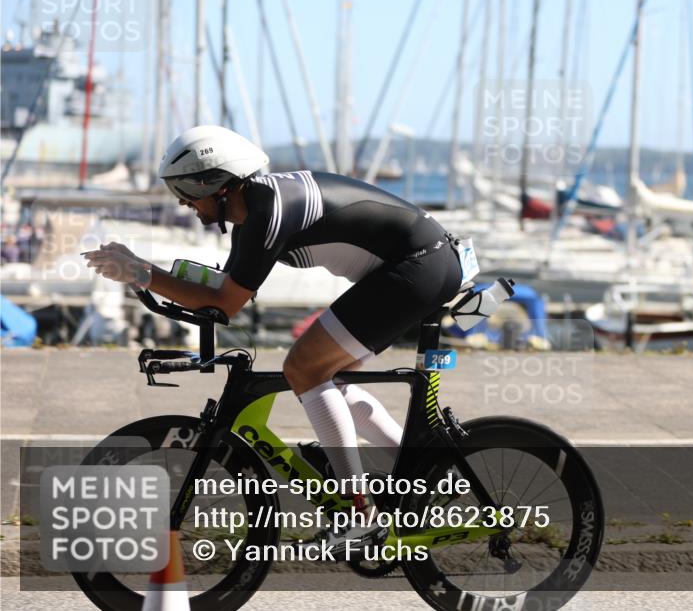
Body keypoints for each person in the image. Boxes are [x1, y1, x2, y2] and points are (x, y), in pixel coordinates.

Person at [83, 125, 466, 554]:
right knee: (331, 382)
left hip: (419, 266)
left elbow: (225, 304)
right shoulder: (251, 217)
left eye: (185, 190)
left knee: (303, 367)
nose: (182, 202)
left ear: (218, 183)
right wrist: (140, 269)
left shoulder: (269, 210)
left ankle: (361, 516)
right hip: (415, 265)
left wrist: (143, 274)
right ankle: (430, 470)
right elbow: (223, 293)